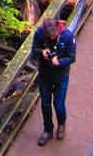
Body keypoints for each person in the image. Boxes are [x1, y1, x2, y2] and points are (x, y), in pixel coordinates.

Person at [31, 15, 76, 146]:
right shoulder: (39, 34)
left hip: (61, 76)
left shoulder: (67, 36)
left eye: (54, 36)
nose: (52, 38)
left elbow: (72, 57)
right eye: (49, 37)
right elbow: (34, 51)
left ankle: (61, 124)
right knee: (45, 104)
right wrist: (42, 52)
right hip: (45, 75)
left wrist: (59, 61)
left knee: (59, 104)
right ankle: (48, 130)